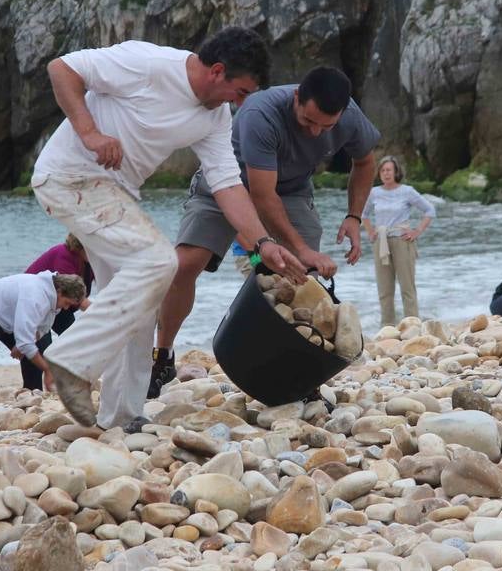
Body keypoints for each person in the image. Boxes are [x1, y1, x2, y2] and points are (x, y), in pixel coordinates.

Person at [30, 27, 306, 433]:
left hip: (115, 194)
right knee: (160, 262)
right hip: (70, 179)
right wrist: (89, 133)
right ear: (217, 72)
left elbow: (227, 183)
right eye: (241, 91)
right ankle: (71, 360)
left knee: (145, 289)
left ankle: (122, 416)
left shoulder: (215, 116)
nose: (241, 101)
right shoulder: (149, 65)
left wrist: (261, 242)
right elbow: (63, 68)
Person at [154, 65, 379, 391]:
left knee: (306, 280)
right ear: (297, 98)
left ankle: (301, 371)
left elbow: (365, 162)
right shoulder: (261, 112)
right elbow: (261, 195)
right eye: (308, 122)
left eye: (326, 126)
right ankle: (162, 355)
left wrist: (354, 217)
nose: (315, 132)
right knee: (184, 265)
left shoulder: (350, 117)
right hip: (224, 185)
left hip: (292, 191)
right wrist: (300, 248)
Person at [0, 272, 89, 398]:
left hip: (4, 318)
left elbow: (42, 329)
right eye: (66, 303)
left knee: (33, 354)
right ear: (60, 291)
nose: (66, 308)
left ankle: (31, 397)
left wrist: (22, 345)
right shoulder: (35, 296)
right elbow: (25, 342)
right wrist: (47, 369)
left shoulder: (53, 296)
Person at [362, 155, 436, 327]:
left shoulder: (407, 191)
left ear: (396, 172)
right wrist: (370, 231)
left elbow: (429, 210)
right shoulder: (374, 192)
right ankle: (387, 327)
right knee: (385, 289)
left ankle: (413, 326)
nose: (386, 173)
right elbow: (363, 214)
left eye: (389, 170)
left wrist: (417, 231)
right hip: (381, 243)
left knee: (407, 287)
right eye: (383, 170)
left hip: (402, 241)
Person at [26, 234, 96, 361]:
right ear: (82, 246)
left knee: (76, 343)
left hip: (60, 306)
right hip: (35, 304)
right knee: (43, 348)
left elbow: (108, 284)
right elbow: (77, 298)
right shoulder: (64, 255)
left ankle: (67, 372)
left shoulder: (90, 261)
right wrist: (102, 314)